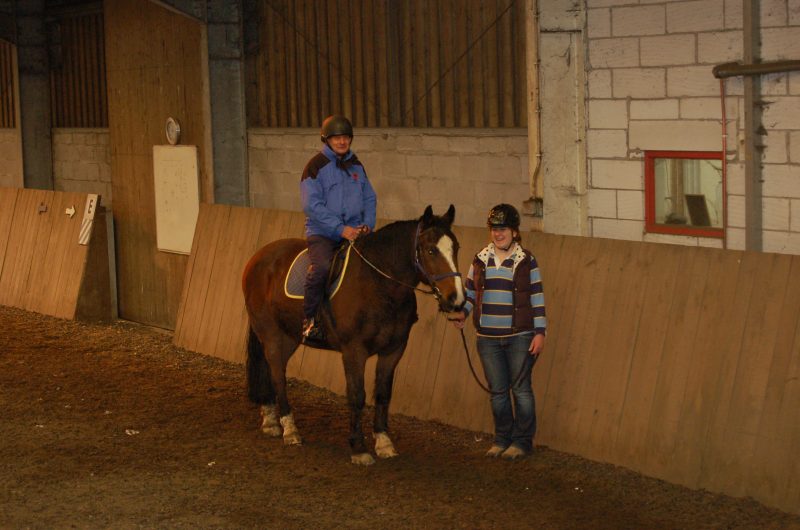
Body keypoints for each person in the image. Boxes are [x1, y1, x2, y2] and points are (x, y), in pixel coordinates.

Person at [451, 203, 546, 460]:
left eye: (503, 228)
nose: (498, 233)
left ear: (514, 231)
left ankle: (522, 441)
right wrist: (464, 313)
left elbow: (536, 296)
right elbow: (471, 293)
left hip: (520, 336)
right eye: (494, 228)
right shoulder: (480, 259)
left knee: (521, 390)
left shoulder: (527, 260)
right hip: (488, 339)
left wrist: (540, 332)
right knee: (498, 392)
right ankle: (502, 438)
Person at [300, 115, 377, 341]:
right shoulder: (315, 167)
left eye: (346, 138)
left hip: (355, 231)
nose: (342, 142)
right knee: (322, 268)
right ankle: (310, 320)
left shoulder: (356, 165)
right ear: (327, 139)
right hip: (323, 233)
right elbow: (311, 205)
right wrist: (340, 229)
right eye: (337, 138)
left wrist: (368, 225)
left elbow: (370, 197)